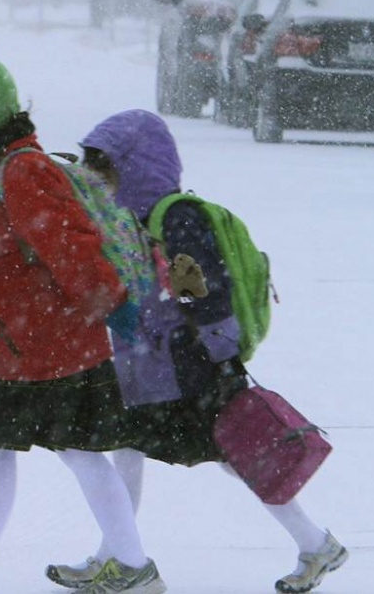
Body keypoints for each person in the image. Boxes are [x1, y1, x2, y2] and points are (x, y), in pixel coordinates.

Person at [0, 44, 166, 594]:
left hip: (52, 342)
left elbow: (71, 248)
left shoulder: (24, 173)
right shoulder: (1, 171)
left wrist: (112, 303)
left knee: (78, 452)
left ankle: (133, 567)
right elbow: (4, 256)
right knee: (11, 448)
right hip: (22, 341)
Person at [45, 109, 345, 594]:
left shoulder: (174, 215)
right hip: (155, 362)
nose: (98, 177)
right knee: (130, 448)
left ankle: (314, 544)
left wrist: (218, 349)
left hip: (192, 365)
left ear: (134, 165)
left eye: (104, 166)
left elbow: (200, 286)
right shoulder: (135, 219)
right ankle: (115, 557)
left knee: (240, 454)